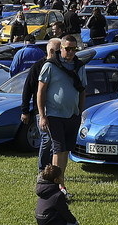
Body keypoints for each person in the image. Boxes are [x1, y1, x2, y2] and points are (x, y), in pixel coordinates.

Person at [33, 39, 86, 172]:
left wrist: (79, 111)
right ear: (60, 49)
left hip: (72, 115)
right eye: (68, 49)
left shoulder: (79, 66)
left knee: (65, 151)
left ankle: (60, 182)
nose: (71, 52)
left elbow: (82, 90)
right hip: (54, 115)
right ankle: (56, 184)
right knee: (58, 149)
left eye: (74, 49)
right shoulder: (50, 66)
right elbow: (40, 91)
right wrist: (42, 115)